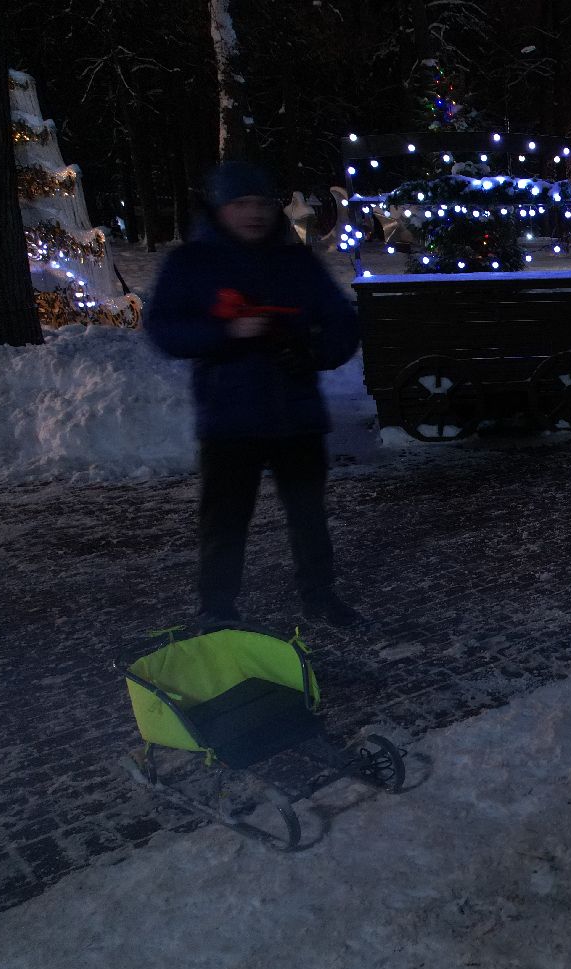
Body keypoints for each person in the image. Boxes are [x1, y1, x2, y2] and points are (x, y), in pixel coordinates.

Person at [145, 161, 363, 627]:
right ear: (220, 209)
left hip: (296, 415)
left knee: (308, 515)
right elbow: (164, 330)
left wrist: (312, 351)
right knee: (224, 521)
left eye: (262, 203)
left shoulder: (295, 261)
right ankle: (217, 609)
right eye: (241, 204)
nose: (254, 214)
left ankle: (320, 598)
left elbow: (343, 322)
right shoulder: (192, 264)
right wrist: (227, 332)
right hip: (230, 418)